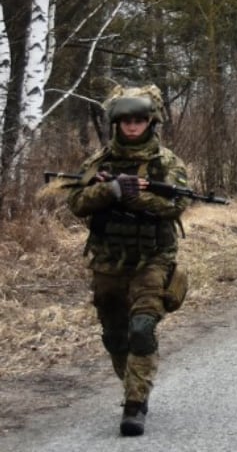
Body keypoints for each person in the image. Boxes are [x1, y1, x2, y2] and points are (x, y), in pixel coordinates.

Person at [66, 85, 190, 436]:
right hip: (107, 261)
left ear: (150, 123)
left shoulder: (166, 163)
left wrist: (138, 198)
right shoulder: (99, 163)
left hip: (153, 259)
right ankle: (133, 382)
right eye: (126, 121)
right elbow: (76, 203)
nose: (132, 127)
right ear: (116, 124)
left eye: (139, 120)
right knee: (116, 336)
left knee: (141, 329)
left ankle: (135, 403)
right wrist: (112, 190)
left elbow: (176, 206)